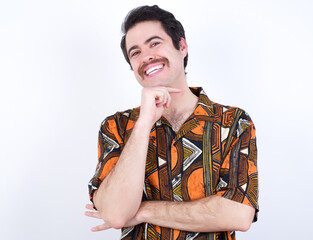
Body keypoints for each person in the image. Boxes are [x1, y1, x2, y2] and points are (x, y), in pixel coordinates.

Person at [85, 5, 258, 239]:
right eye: (135, 52)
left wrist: (143, 210)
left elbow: (238, 214)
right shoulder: (115, 127)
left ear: (182, 47)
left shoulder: (233, 122)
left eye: (154, 43)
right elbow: (116, 214)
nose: (146, 56)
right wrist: (144, 123)